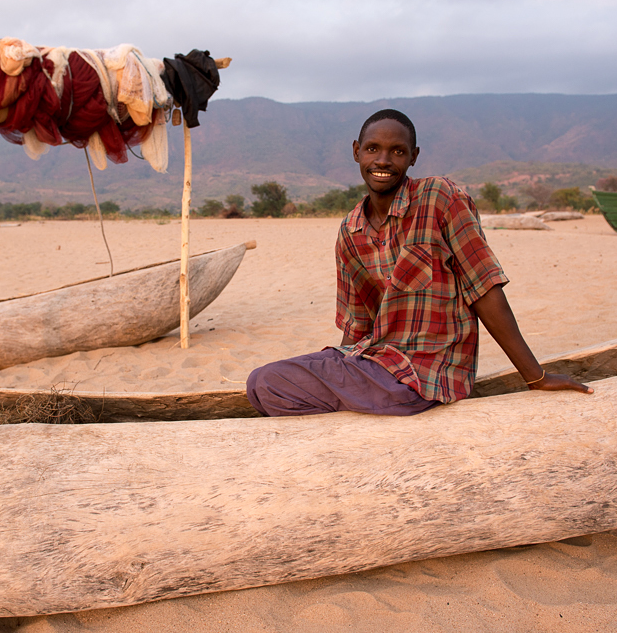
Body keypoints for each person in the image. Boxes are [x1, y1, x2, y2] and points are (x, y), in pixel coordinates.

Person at [246, 109, 592, 417]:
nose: (383, 161)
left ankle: (368, 404)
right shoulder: (351, 230)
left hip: (425, 377)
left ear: (413, 157)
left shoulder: (441, 199)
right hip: (376, 362)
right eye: (373, 149)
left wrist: (536, 376)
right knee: (262, 386)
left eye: (397, 152)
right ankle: (359, 407)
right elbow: (357, 323)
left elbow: (485, 289)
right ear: (356, 152)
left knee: (269, 381)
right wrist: (342, 365)